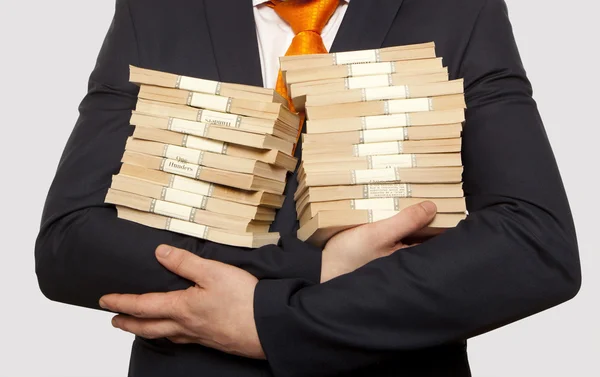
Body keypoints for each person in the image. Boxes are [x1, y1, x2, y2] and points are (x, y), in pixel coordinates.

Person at [35, 0, 581, 376]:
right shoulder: (159, 10)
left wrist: (265, 321)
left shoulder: (456, 8)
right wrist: (318, 272)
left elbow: (535, 245)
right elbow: (70, 243)